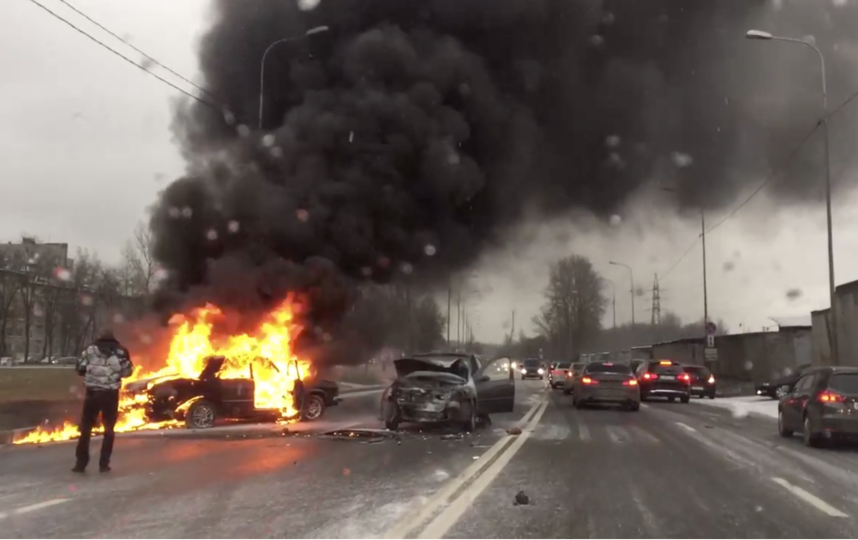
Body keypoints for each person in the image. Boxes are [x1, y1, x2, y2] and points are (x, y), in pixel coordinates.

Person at [72, 330, 133, 473]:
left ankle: (80, 464)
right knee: (109, 429)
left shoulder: (90, 350)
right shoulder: (120, 351)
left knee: (86, 429)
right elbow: (127, 372)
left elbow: (80, 368)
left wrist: (92, 373)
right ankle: (104, 464)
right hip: (110, 394)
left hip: (92, 393)